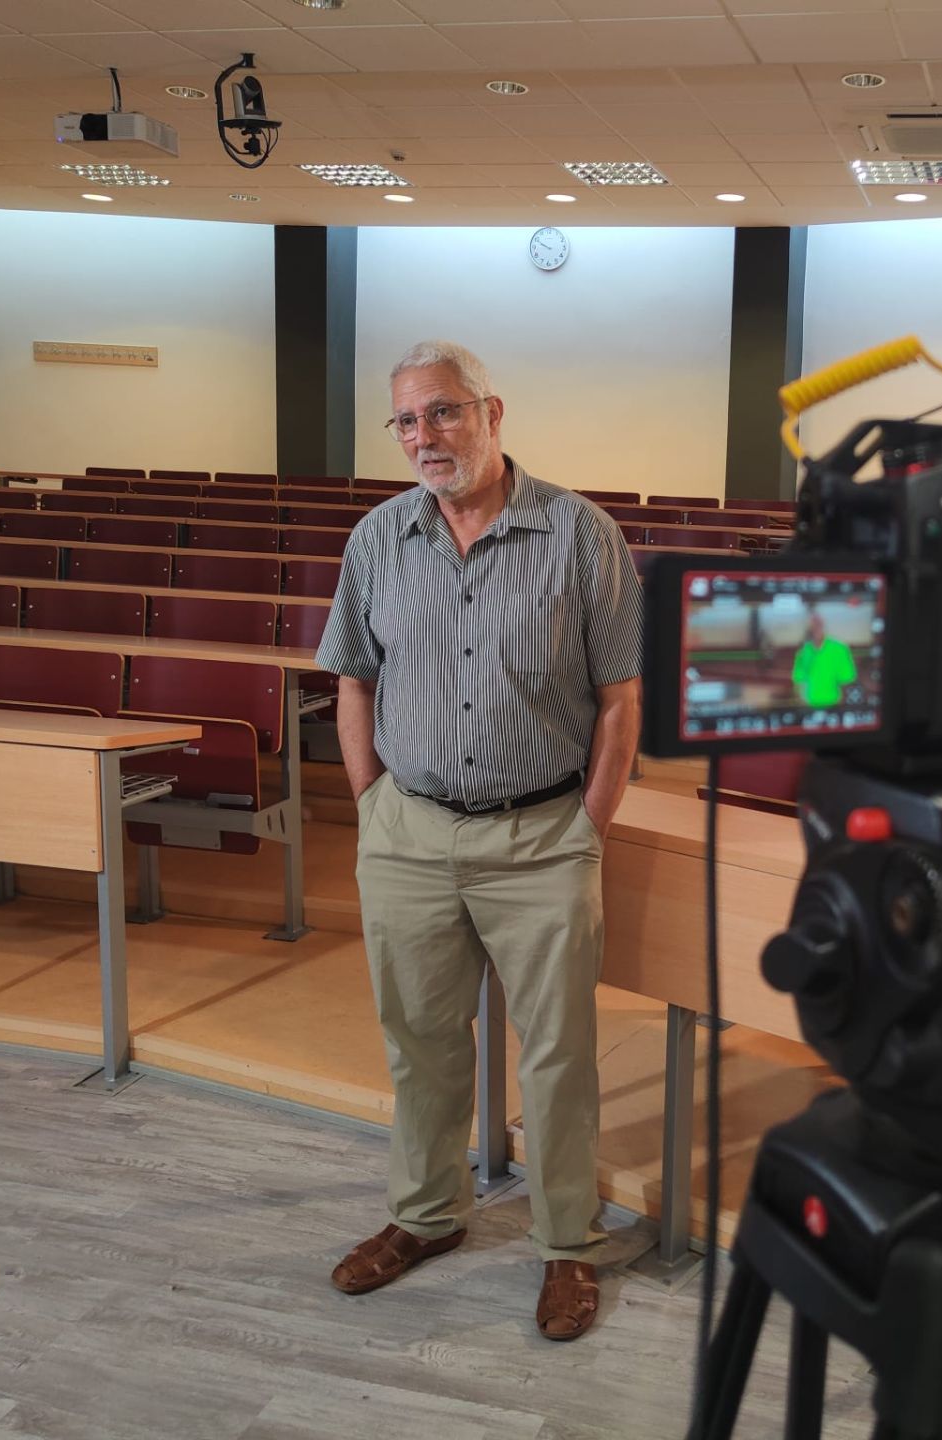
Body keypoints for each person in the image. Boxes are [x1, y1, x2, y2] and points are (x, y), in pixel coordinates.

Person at [314, 339, 642, 1342]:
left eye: (444, 412)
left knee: (558, 1053)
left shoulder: (580, 534)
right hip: (408, 832)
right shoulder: (378, 538)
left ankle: (566, 1242)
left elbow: (621, 698)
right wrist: (372, 805)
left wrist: (588, 826)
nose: (425, 436)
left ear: (492, 414)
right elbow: (353, 680)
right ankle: (428, 1215)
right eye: (407, 420)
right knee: (418, 1040)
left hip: (541, 835)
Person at [791, 609, 857, 706]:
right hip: (810, 703)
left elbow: (847, 678)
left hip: (834, 703)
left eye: (818, 623)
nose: (815, 628)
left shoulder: (840, 649)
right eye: (812, 625)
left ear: (824, 625)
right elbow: (799, 679)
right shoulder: (803, 651)